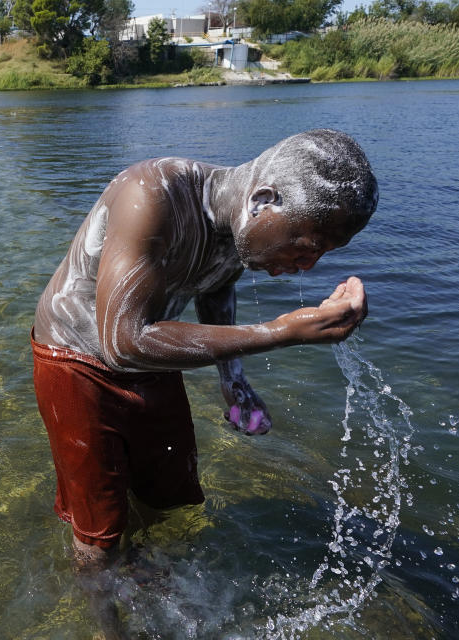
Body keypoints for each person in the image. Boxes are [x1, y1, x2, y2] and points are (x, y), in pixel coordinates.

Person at [32, 129, 378, 575]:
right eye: (306, 245)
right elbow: (122, 342)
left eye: (324, 253)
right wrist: (281, 332)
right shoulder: (152, 196)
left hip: (152, 351)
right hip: (76, 360)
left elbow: (216, 288)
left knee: (172, 498)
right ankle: (105, 619)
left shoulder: (241, 228)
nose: (307, 266)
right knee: (100, 533)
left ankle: (153, 576)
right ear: (262, 200)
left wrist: (233, 380)